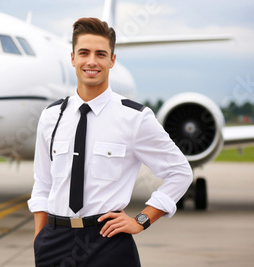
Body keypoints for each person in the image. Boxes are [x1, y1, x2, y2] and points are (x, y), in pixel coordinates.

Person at [28, 17, 193, 267]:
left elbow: (180, 172)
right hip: (54, 243)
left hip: (108, 243)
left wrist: (141, 220)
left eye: (100, 54)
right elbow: (42, 182)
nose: (91, 61)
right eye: (84, 53)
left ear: (112, 60)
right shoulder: (51, 117)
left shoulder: (135, 118)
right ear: (72, 58)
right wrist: (40, 237)